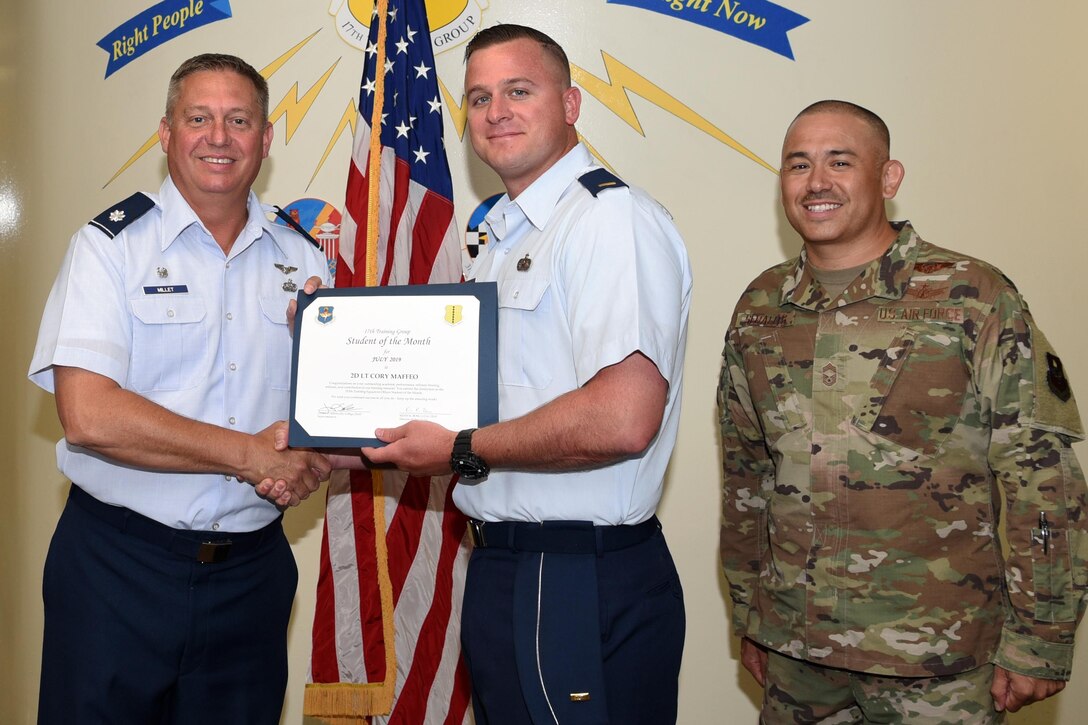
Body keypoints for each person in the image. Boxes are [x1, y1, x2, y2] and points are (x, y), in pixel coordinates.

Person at [356, 23, 692, 725]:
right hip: (511, 566)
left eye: (519, 90)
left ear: (570, 104)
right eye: (478, 98)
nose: (496, 111)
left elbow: (623, 415)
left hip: (572, 571)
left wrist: (457, 449)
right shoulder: (508, 236)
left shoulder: (607, 220)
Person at [717, 99, 1087, 723]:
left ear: (888, 178)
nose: (817, 183)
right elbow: (746, 475)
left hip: (937, 664)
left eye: (841, 161)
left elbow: (1041, 474)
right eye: (798, 164)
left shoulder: (971, 296)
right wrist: (751, 616)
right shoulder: (761, 307)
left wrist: (1042, 638)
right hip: (799, 658)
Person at [28, 53, 332, 723]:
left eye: (238, 119)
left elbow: (325, 413)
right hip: (118, 569)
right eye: (199, 118)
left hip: (252, 577)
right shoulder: (110, 248)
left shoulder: (305, 261)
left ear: (265, 138)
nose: (218, 137)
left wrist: (317, 456)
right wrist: (249, 455)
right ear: (166, 133)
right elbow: (88, 414)